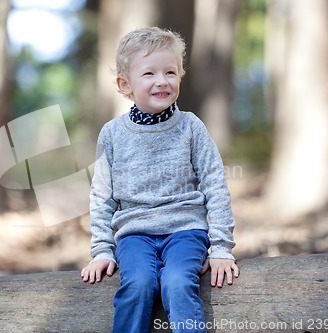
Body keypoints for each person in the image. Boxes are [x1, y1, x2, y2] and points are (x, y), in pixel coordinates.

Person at [81, 27, 239, 333]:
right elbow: (102, 196)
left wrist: (221, 247)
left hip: (185, 231)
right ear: (124, 84)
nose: (161, 81)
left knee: (177, 282)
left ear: (180, 75)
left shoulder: (191, 128)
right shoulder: (112, 134)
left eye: (170, 71)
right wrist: (101, 250)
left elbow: (215, 186)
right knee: (138, 284)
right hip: (134, 234)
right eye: (149, 73)